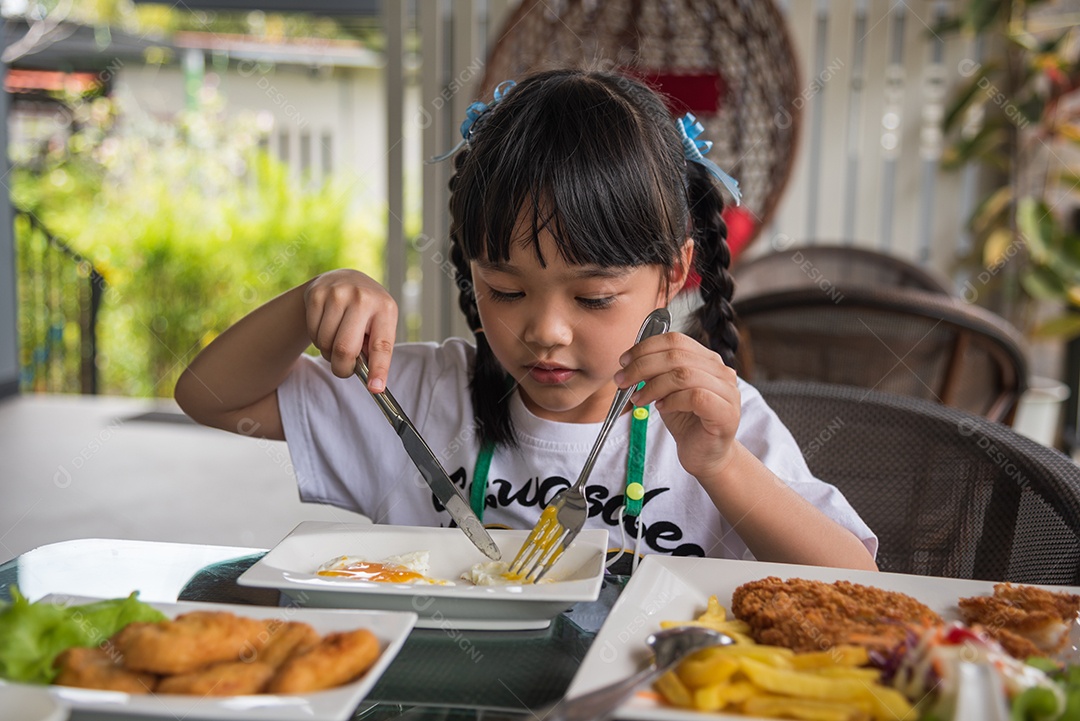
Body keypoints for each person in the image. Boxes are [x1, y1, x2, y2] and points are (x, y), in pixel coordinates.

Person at [175, 68, 878, 573]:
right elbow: (209, 399)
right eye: (506, 290)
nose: (546, 330)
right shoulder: (416, 397)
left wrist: (721, 464)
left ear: (672, 272)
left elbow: (860, 582)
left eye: (593, 297)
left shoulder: (714, 422)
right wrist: (306, 306)